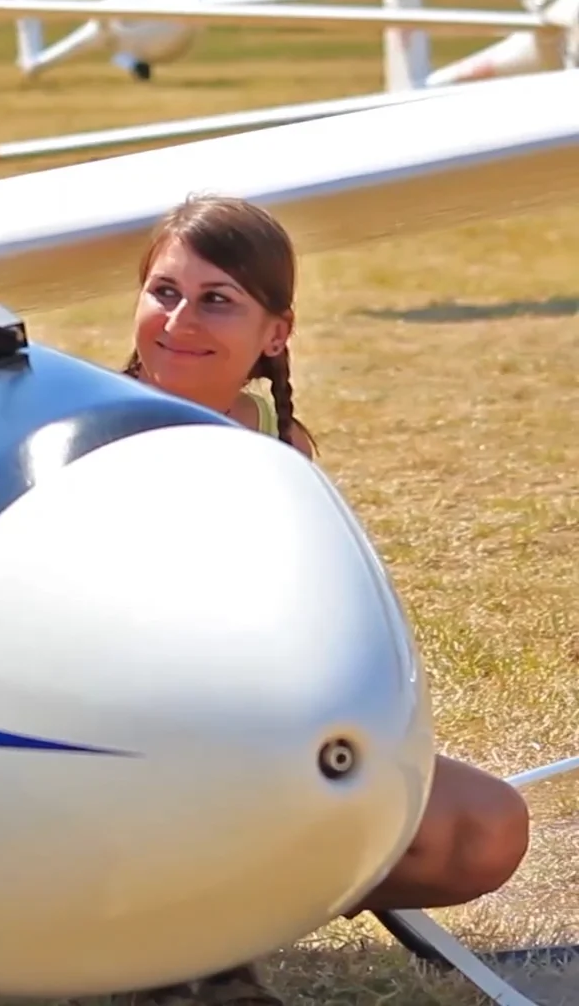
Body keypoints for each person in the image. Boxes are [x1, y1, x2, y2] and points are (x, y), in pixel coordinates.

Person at [121, 195, 530, 1005]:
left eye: (216, 300)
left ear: (276, 333)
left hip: (260, 754)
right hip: (120, 764)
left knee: (485, 829)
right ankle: (169, 952)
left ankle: (218, 911)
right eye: (164, 291)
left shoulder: (278, 439)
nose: (180, 320)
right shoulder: (81, 432)